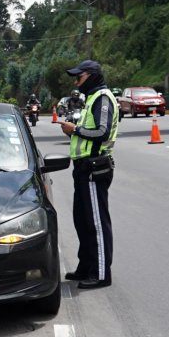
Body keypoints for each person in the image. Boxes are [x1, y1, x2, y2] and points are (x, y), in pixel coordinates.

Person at [57, 59, 118, 289]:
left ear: (91, 75)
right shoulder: (91, 98)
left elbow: (101, 132)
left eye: (79, 76)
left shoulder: (102, 98)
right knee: (82, 221)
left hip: (94, 168)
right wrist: (73, 133)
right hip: (82, 168)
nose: (76, 81)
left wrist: (76, 130)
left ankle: (101, 273)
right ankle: (86, 266)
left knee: (96, 223)